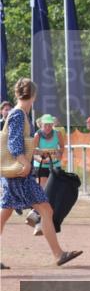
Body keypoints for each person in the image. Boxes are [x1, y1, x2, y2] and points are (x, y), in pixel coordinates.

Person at [0, 78, 83, 268]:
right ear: (34, 95)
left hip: (14, 174)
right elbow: (14, 145)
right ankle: (58, 254)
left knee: (5, 215)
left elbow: (18, 144)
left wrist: (36, 153)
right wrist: (25, 163)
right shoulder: (20, 115)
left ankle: (58, 254)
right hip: (20, 174)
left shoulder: (18, 114)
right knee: (45, 209)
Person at [32, 114, 65, 188]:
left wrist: (59, 153)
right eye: (45, 125)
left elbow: (62, 147)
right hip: (40, 166)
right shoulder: (37, 135)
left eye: (50, 125)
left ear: (53, 125)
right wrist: (40, 160)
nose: (48, 127)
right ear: (41, 125)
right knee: (42, 190)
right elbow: (33, 151)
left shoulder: (58, 134)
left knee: (54, 189)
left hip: (55, 165)